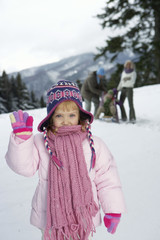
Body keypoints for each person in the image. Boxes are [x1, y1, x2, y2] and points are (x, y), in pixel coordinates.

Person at [5, 80, 126, 240]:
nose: (65, 120)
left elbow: (107, 179)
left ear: (79, 115)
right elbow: (24, 168)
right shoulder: (42, 142)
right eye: (59, 115)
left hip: (82, 218)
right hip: (51, 218)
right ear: (51, 117)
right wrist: (22, 141)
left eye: (71, 115)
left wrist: (113, 209)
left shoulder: (93, 144)